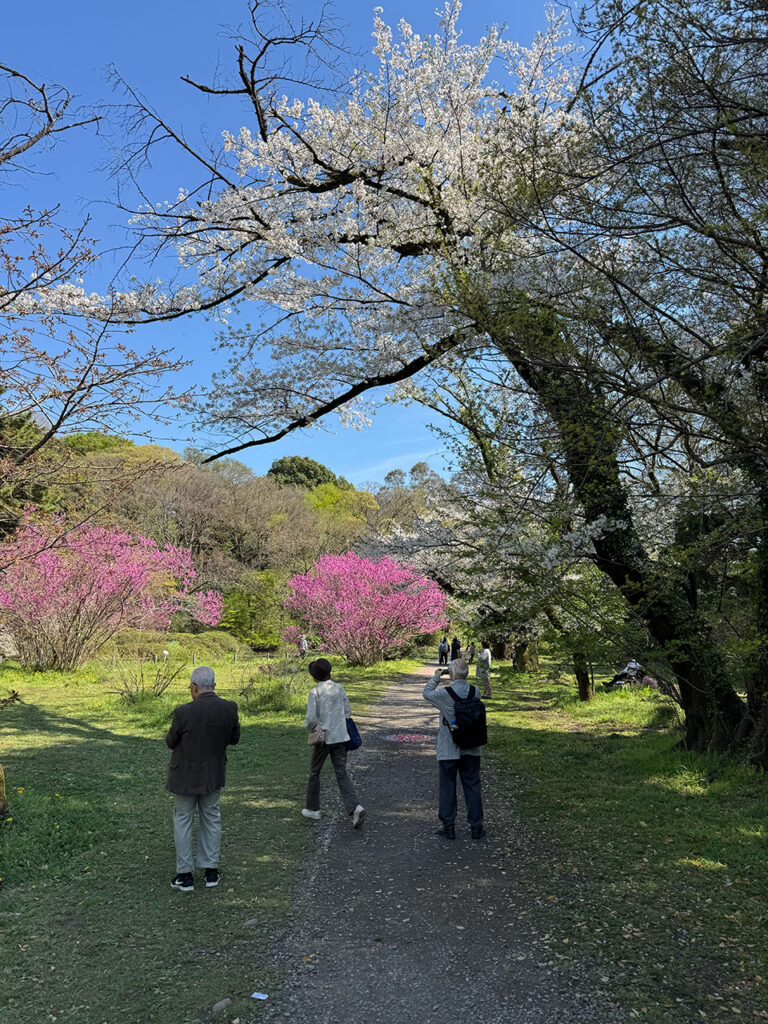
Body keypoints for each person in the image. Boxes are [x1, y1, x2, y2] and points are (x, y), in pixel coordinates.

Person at [165, 666, 240, 892]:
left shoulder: (183, 712)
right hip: (213, 773)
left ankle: (185, 874)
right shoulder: (229, 708)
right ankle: (211, 871)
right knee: (211, 818)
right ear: (214, 686)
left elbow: (170, 742)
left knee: (183, 821)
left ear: (194, 687)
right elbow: (234, 739)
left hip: (185, 775)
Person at [422, 659, 485, 840]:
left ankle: (448, 826)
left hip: (449, 748)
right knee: (472, 785)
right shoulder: (476, 691)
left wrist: (436, 677)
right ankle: (476, 826)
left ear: (451, 673)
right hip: (472, 746)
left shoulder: (445, 694)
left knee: (448, 785)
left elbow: (426, 694)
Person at [303, 658, 365, 828]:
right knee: (341, 773)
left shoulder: (314, 692)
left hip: (323, 739)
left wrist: (313, 728)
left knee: (315, 772)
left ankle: (313, 808)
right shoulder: (339, 688)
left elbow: (311, 719)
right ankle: (354, 807)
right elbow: (347, 711)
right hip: (341, 737)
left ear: (314, 676)